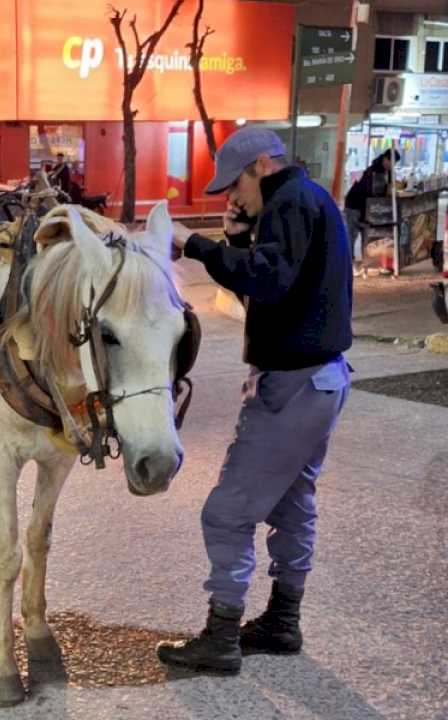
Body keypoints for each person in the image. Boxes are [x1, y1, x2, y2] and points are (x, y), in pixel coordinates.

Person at [160, 127, 352, 675]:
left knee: (225, 514)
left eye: (235, 186)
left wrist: (195, 245)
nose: (232, 198)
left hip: (293, 385)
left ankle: (221, 636)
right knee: (293, 504)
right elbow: (276, 285)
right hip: (323, 380)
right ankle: (283, 623)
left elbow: (268, 281)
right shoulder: (306, 200)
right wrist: (240, 240)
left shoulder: (289, 200)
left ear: (262, 166)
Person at [344, 148, 400, 271]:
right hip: (354, 204)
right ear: (385, 159)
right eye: (391, 162)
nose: (392, 165)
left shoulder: (387, 172)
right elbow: (368, 193)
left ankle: (367, 261)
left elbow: (388, 188)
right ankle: (348, 262)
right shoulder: (372, 171)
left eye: (394, 163)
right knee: (352, 234)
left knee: (367, 234)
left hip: (368, 206)